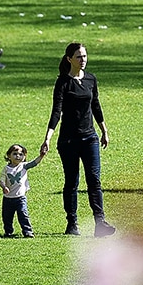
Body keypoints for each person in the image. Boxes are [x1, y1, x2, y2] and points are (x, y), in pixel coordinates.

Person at [40, 43, 117, 238]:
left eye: (84, 56)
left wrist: (104, 131)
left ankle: (100, 222)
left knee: (94, 180)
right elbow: (56, 111)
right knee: (72, 182)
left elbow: (96, 105)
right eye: (79, 57)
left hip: (90, 137)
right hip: (69, 141)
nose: (83, 60)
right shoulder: (63, 82)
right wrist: (48, 138)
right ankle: (72, 223)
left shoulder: (91, 79)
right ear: (69, 59)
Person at [0, 144, 43, 238]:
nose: (18, 156)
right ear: (9, 156)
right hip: (8, 198)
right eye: (15, 154)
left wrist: (41, 155)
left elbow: (34, 163)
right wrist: (4, 187)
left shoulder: (24, 166)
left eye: (21, 154)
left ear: (24, 157)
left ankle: (27, 231)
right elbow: (1, 180)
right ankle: (8, 232)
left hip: (20, 198)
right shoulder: (6, 169)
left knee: (23, 214)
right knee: (7, 217)